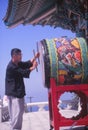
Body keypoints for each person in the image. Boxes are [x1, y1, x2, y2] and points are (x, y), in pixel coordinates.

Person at [5, 48, 40, 130]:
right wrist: (34, 67)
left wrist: (35, 57)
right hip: (14, 95)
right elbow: (23, 72)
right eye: (20, 55)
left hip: (17, 93)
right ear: (14, 56)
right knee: (17, 115)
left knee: (18, 115)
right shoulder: (11, 66)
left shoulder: (17, 63)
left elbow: (26, 64)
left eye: (21, 54)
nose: (21, 56)